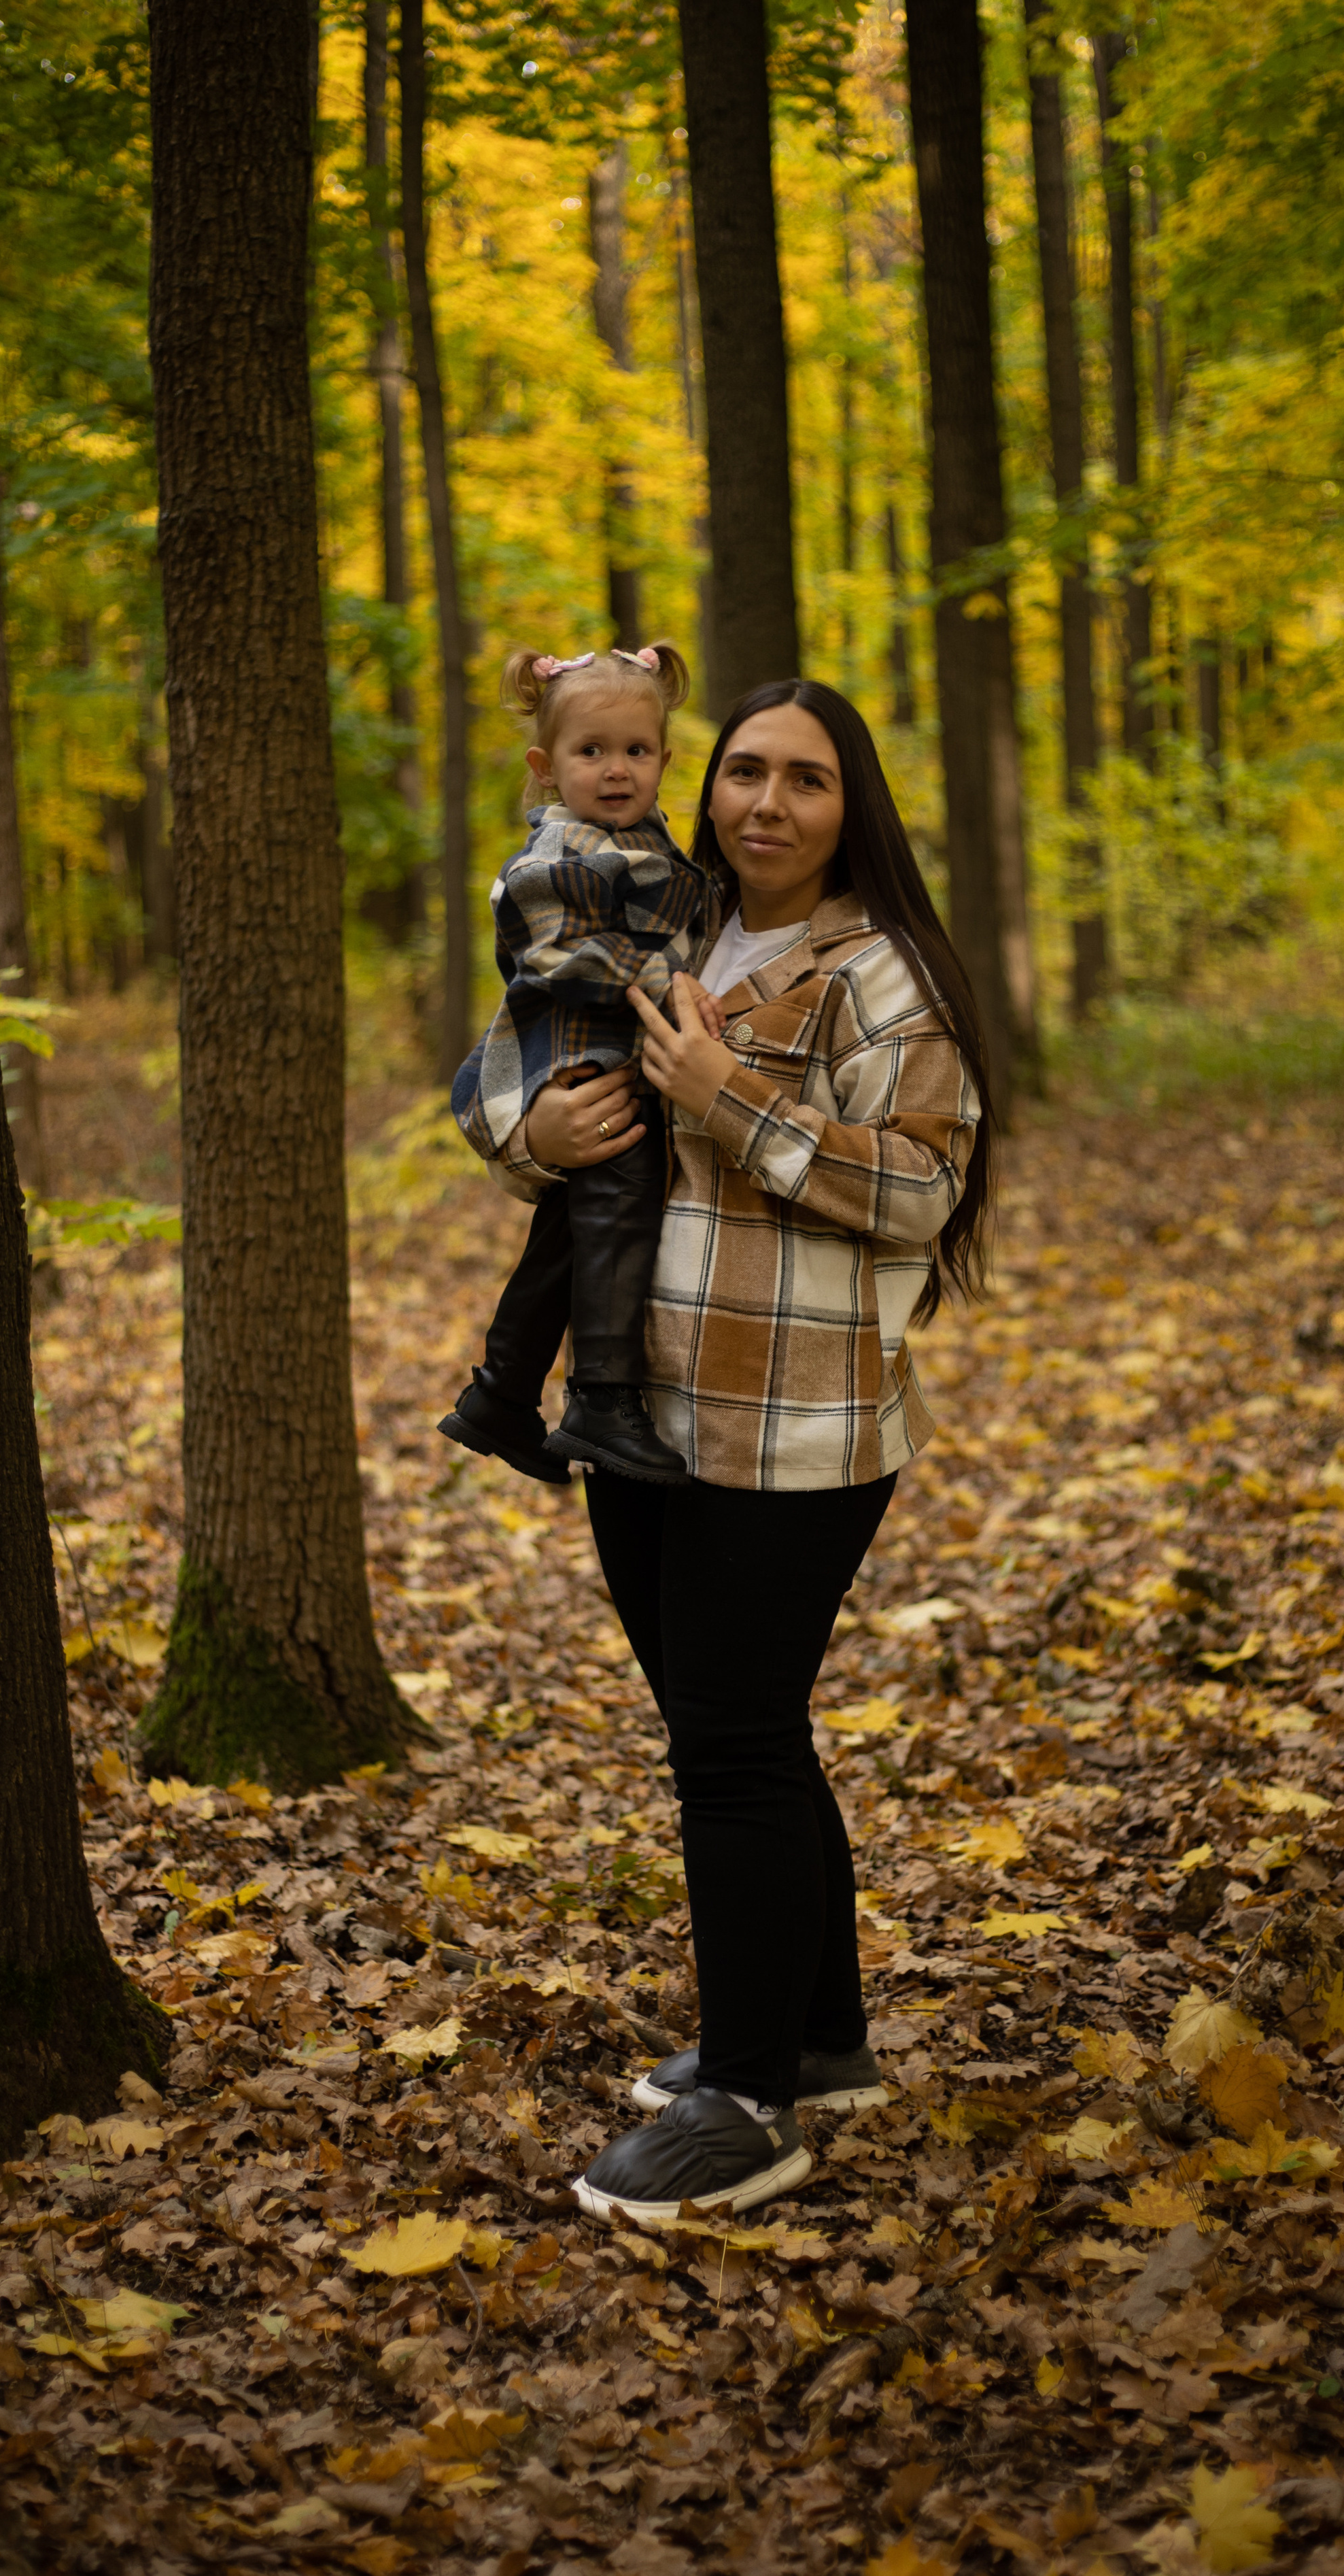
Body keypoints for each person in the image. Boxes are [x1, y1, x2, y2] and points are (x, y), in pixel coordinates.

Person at [459, 681, 990, 2226]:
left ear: (850, 804)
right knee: (742, 1733)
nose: (766, 800)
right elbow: (517, 1068)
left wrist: (731, 1098)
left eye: (805, 778)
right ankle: (817, 2038)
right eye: (745, 769)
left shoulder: (880, 974)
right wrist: (530, 1139)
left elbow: (924, 1189)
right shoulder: (668, 923)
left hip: (794, 1427)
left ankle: (748, 2103)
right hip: (639, 1408)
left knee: (732, 1746)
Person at [440, 643, 725, 1489]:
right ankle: (601, 1394)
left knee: (571, 1232)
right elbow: (553, 950)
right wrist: (667, 980)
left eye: (636, 750)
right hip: (578, 1057)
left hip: (613, 1052)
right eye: (591, 751)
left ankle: (500, 1393)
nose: (615, 769)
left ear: (665, 759)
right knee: (619, 1211)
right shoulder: (557, 853)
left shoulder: (644, 839)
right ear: (546, 767)